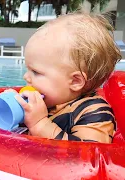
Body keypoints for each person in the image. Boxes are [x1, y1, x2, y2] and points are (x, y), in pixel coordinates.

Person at [9, 12, 122, 143]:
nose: (26, 77)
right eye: (28, 69)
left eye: (36, 72)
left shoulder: (96, 112)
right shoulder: (50, 102)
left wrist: (39, 124)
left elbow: (87, 157)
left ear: (75, 81)